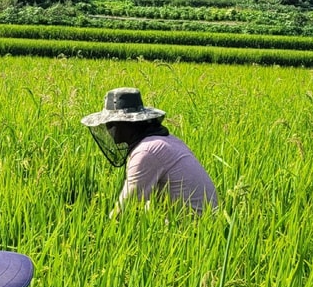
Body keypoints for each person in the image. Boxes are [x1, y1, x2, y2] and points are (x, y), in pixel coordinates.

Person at [81, 87, 218, 214]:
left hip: (194, 228)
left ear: (126, 124)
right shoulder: (165, 142)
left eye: (111, 124)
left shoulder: (146, 152)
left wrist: (103, 231)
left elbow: (123, 209)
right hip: (201, 222)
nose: (108, 129)